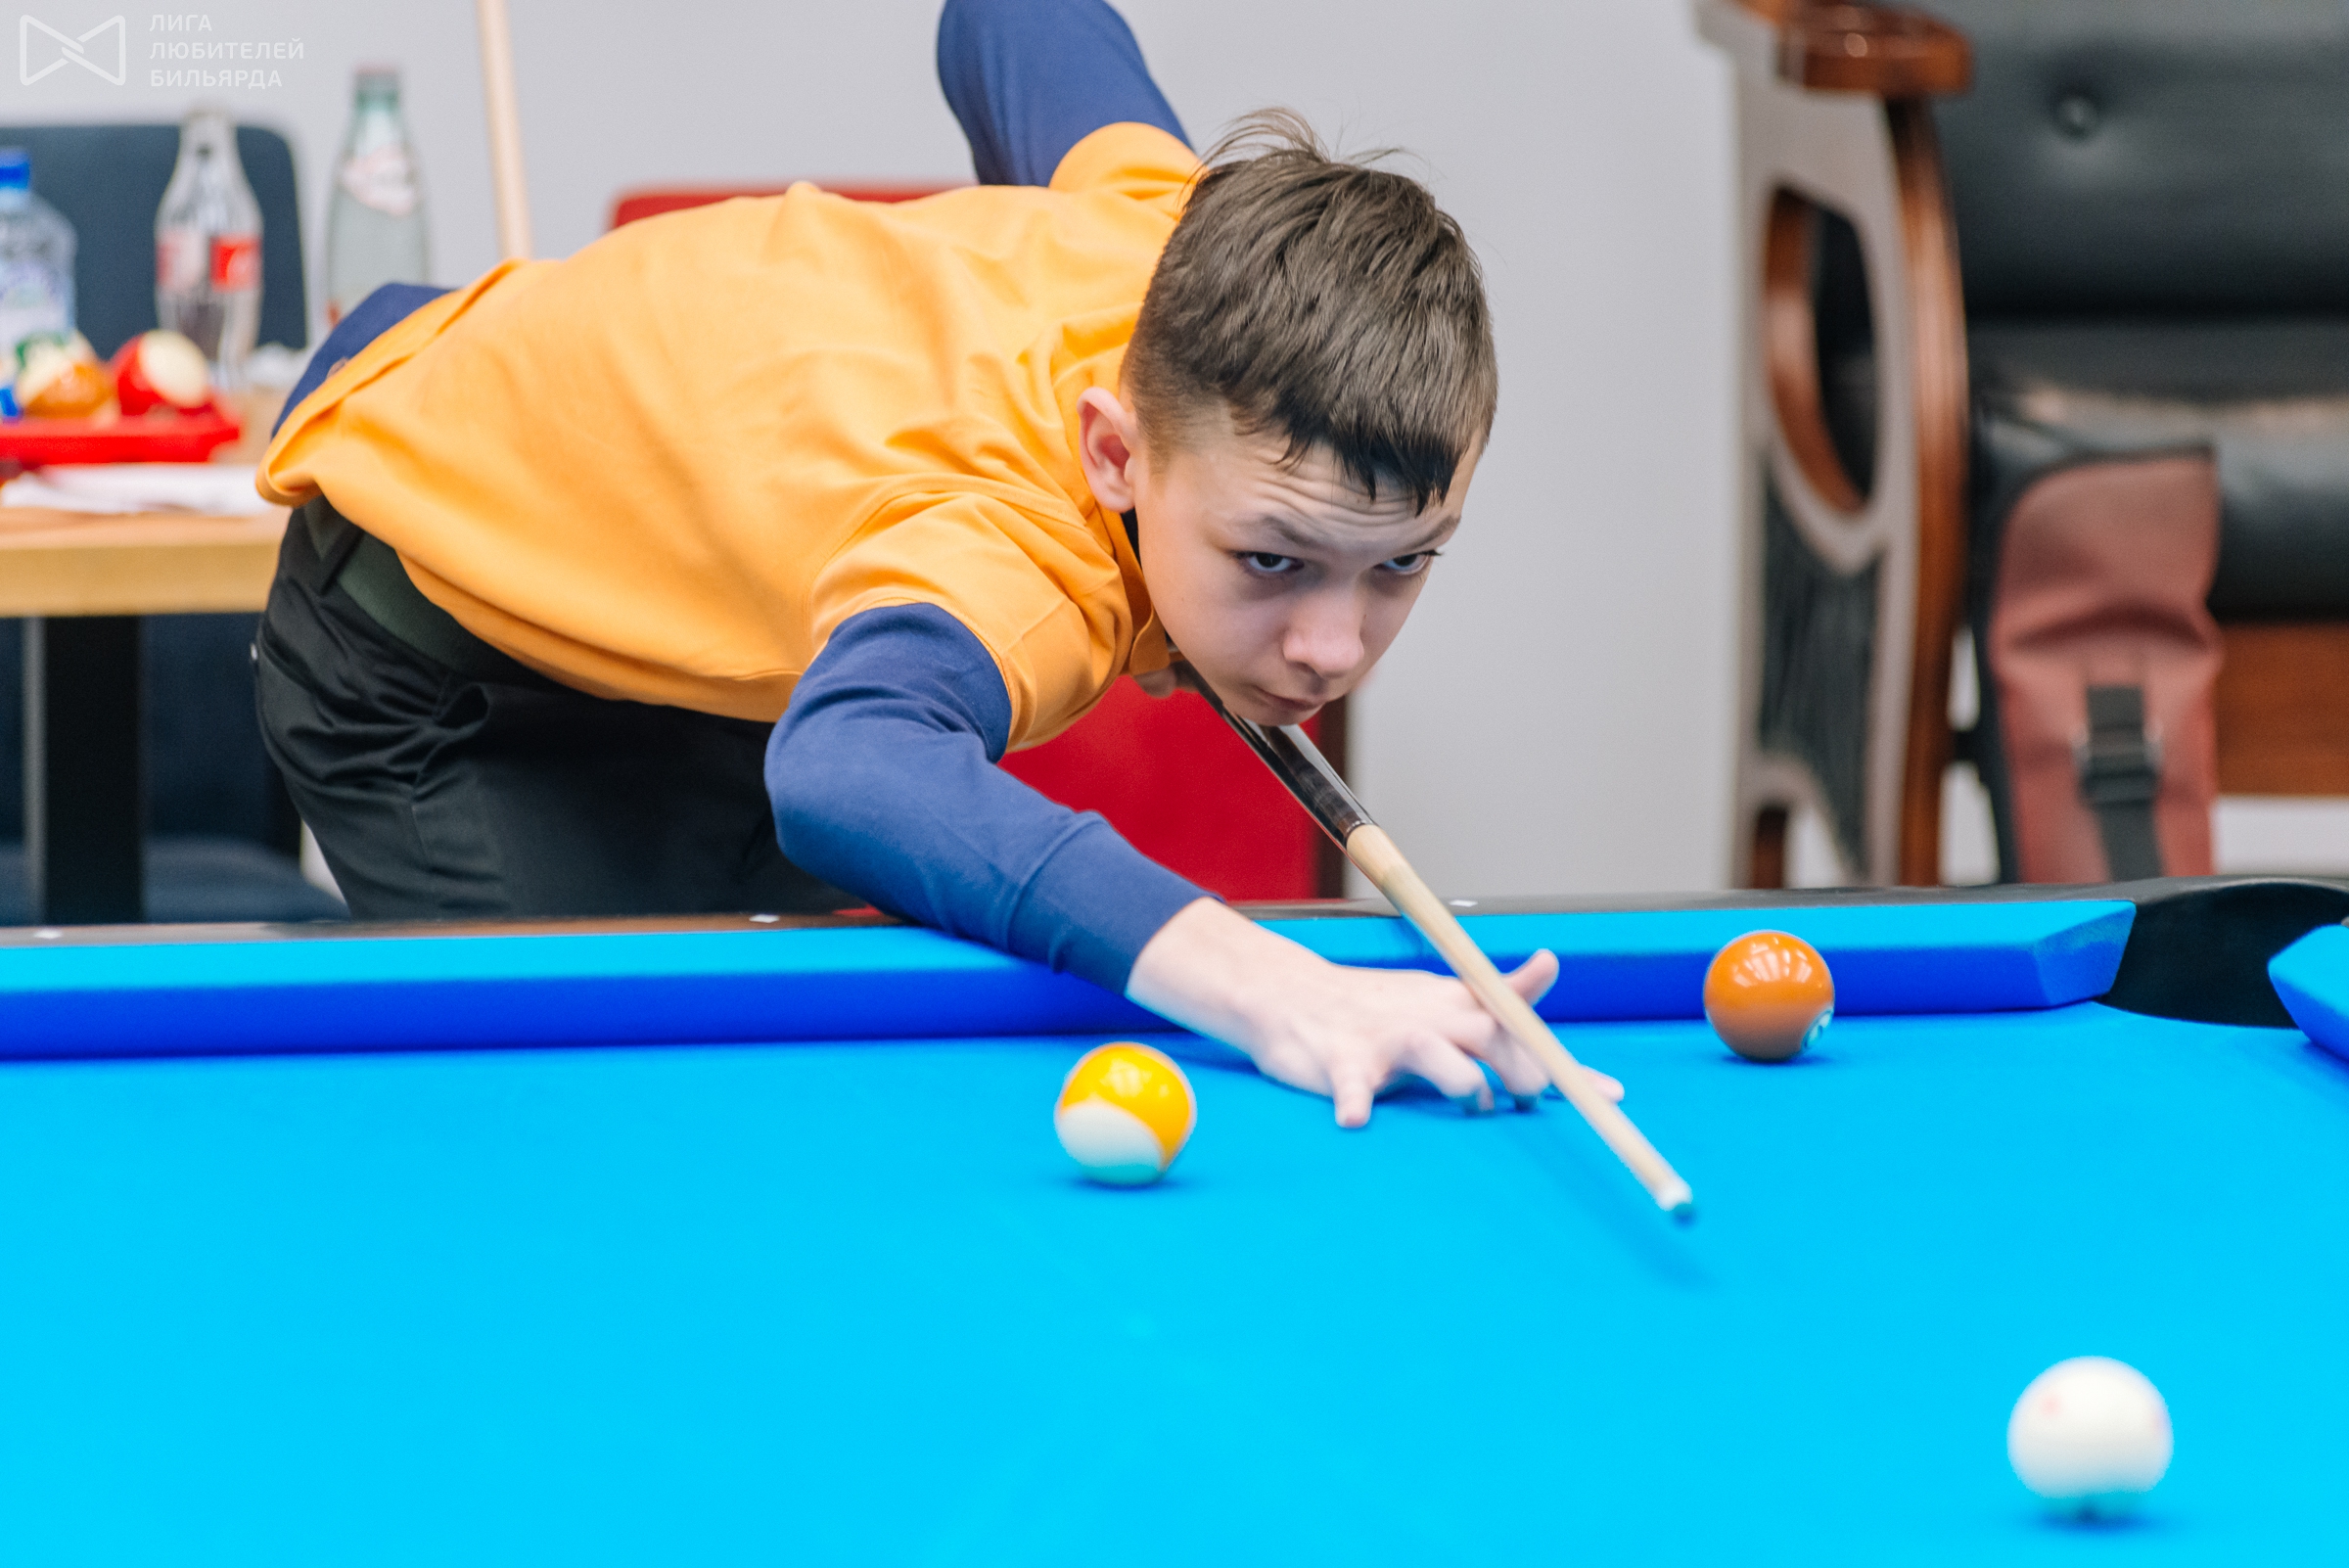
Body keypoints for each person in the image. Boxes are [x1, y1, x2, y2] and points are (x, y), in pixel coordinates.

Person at [255, 0, 1603, 1128]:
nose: (1333, 647)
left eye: (1400, 565)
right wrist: (1271, 985)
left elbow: (1014, 20)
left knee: (798, 1097)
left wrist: (1220, 576)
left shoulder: (1175, 239)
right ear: (1117, 453)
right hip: (435, 644)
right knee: (625, 1133)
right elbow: (847, 770)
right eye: (1272, 558)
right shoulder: (1012, 553)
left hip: (715, 637)